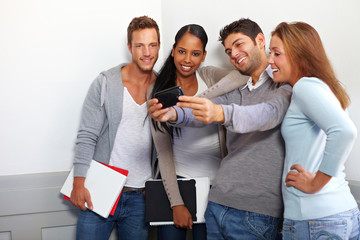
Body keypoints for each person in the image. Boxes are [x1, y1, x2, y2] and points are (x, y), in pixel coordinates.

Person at [148, 18, 292, 240]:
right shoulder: (236, 90)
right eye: (228, 50)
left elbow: (267, 114)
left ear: (260, 40)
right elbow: (204, 112)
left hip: (254, 210)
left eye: (239, 44)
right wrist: (174, 114)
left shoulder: (283, 87)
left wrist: (220, 113)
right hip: (218, 203)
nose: (233, 54)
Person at [148, 24, 248, 240]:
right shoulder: (159, 89)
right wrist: (176, 203)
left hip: (215, 186)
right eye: (182, 51)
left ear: (203, 56)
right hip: (176, 183)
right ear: (173, 50)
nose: (187, 60)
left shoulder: (209, 76)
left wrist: (200, 99)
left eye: (195, 54)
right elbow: (163, 152)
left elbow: (243, 76)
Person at [70, 16, 160, 240]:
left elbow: (168, 143)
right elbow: (87, 135)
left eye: (152, 45)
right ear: (130, 47)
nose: (147, 52)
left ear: (159, 46)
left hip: (141, 196)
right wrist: (78, 183)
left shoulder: (162, 87)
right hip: (100, 190)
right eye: (140, 45)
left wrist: (157, 181)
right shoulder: (105, 82)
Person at [268, 21, 360, 240]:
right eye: (269, 52)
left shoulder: (305, 87)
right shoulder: (324, 87)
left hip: (315, 220)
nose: (269, 60)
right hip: (335, 214)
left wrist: (315, 183)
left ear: (298, 55)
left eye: (276, 53)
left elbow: (345, 132)